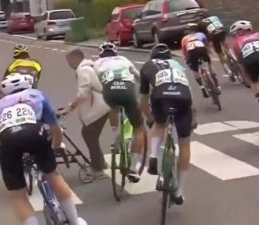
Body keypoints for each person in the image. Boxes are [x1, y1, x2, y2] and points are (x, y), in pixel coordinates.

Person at [0, 74, 87, 225]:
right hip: (34, 132)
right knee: (53, 175)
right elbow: (55, 128)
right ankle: (75, 221)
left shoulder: (0, 105)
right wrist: (56, 147)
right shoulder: (37, 95)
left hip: (7, 139)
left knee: (17, 194)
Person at [140, 43, 195, 205]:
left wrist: (149, 118)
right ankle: (179, 190)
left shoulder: (147, 66)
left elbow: (142, 100)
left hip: (160, 96)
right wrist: (193, 117)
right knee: (184, 143)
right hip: (183, 97)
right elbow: (189, 94)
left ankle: (153, 157)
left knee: (159, 124)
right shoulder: (178, 65)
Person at [93, 42, 146, 181]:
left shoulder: (97, 63)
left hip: (110, 90)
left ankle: (115, 136)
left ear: (100, 53)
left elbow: (94, 83)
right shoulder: (123, 60)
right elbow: (138, 76)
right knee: (139, 127)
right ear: (115, 52)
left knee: (113, 106)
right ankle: (133, 167)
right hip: (127, 89)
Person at [64, 48, 111, 178]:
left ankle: (97, 168)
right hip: (102, 107)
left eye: (69, 61)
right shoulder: (89, 67)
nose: (69, 65)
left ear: (75, 59)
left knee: (89, 135)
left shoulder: (83, 70)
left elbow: (83, 93)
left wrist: (71, 106)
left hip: (98, 109)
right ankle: (100, 163)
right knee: (90, 135)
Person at [0, 44, 42, 118]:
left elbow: (4, 80)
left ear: (15, 57)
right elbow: (36, 79)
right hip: (30, 86)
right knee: (40, 100)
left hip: (14, 87)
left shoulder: (13, 64)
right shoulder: (37, 63)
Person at [181, 23, 220, 98]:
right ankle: (215, 82)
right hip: (201, 48)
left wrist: (188, 61)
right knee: (209, 64)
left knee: (195, 71)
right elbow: (207, 46)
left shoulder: (184, 39)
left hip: (191, 50)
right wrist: (209, 56)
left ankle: (202, 88)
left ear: (187, 31)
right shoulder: (201, 34)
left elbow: (185, 53)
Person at [199, 14, 235, 81]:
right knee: (224, 42)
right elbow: (221, 24)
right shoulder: (215, 17)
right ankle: (231, 54)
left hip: (214, 35)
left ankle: (229, 71)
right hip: (222, 32)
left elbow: (203, 35)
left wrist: (208, 43)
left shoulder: (201, 23)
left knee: (220, 54)